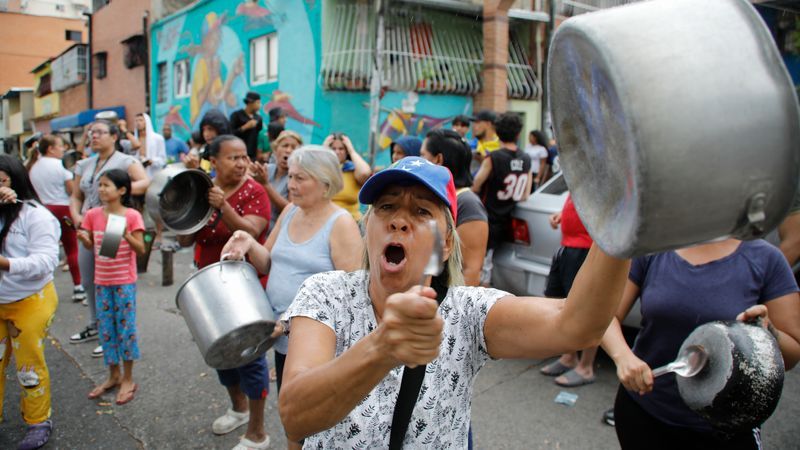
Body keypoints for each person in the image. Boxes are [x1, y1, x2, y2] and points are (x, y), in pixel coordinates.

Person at [277, 156, 630, 447]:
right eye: (386, 207)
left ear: (445, 245)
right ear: (366, 226)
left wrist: (621, 220)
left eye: (421, 213)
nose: (399, 220)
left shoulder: (467, 313)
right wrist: (381, 348)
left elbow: (578, 324)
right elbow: (294, 417)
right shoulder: (326, 293)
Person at [223, 147, 363, 447]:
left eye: (300, 178)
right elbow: (267, 262)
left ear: (325, 183)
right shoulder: (289, 212)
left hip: (317, 346)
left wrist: (292, 322)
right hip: (280, 336)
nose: (291, 184)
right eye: (291, 177)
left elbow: (353, 296)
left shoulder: (340, 224)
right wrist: (248, 242)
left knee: (313, 419)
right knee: (292, 414)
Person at [601, 238, 800, 449]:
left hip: (726, 428)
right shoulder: (654, 246)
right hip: (645, 412)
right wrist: (623, 357)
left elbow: (792, 355)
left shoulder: (766, 258)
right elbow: (605, 317)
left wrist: (769, 332)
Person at [176, 135, 271, 450]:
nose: (242, 163)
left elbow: (252, 230)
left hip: (243, 286)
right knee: (220, 352)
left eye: (244, 157)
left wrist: (223, 206)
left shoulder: (254, 191)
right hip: (207, 283)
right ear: (213, 161)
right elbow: (186, 241)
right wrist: (181, 211)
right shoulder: (201, 189)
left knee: (251, 356)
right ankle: (238, 408)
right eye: (233, 158)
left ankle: (258, 432)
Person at [68, 121, 149, 358]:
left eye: (100, 133)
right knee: (90, 277)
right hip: (88, 220)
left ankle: (113, 332)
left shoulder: (125, 161)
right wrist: (75, 215)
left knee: (113, 273)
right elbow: (75, 196)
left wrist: (117, 192)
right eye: (91, 133)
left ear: (114, 137)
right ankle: (98, 325)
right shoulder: (84, 164)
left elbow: (144, 183)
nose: (94, 137)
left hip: (113, 222)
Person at [0, 155, 60, 450]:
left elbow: (47, 260)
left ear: (17, 181)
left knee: (28, 365)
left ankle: (38, 421)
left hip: (30, 299)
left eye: (2, 181)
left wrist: (6, 264)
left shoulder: (35, 215)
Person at [78, 169, 145, 405]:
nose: (101, 189)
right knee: (107, 329)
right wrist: (84, 239)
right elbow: (91, 246)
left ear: (122, 190)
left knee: (125, 330)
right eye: (100, 185)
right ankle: (113, 375)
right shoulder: (93, 214)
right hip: (102, 281)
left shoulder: (132, 215)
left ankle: (128, 378)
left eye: (106, 185)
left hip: (124, 282)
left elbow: (141, 250)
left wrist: (126, 235)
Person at [539, 194, 597, 387]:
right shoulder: (583, 170)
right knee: (561, 301)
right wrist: (563, 214)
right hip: (568, 245)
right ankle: (568, 356)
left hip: (588, 248)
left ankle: (586, 367)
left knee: (589, 307)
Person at [420, 129, 488, 287]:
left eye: (423, 156)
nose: (420, 161)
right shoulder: (435, 197)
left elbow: (471, 270)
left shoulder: (468, 203)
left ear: (438, 159)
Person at [472, 113, 532, 287]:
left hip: (488, 218)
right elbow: (525, 193)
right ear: (518, 134)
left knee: (482, 266)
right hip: (510, 218)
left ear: (497, 133)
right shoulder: (526, 158)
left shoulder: (493, 157)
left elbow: (476, 185)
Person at [29, 134, 84, 302]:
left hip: (43, 210)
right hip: (62, 209)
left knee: (45, 249)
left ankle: (42, 289)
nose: (63, 149)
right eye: (60, 146)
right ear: (50, 149)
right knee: (72, 247)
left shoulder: (33, 167)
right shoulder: (59, 167)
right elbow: (71, 191)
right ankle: (78, 286)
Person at [258, 130, 302, 231]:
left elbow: (291, 209)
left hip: (278, 231)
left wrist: (266, 185)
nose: (288, 150)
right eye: (285, 146)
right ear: (275, 149)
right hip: (258, 227)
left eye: (293, 148)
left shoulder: (298, 177)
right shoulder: (266, 169)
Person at [323, 133, 371, 220]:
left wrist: (351, 150)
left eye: (341, 149)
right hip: (325, 221)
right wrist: (323, 150)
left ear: (346, 151)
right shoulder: (323, 169)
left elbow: (365, 173)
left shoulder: (353, 169)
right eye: (333, 149)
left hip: (351, 220)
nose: (337, 152)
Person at [184, 109, 232, 174]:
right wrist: (194, 166)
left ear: (221, 129)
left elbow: (222, 181)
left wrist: (196, 169)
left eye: (210, 129)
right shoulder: (207, 151)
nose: (206, 134)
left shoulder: (232, 151)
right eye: (203, 130)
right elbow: (207, 174)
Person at [230, 91, 264, 161]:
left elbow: (260, 136)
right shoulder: (236, 115)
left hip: (253, 156)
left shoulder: (258, 118)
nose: (260, 105)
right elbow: (230, 134)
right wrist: (244, 127)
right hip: (238, 154)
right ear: (250, 103)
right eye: (258, 102)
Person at [133, 113, 167, 178]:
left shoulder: (157, 138)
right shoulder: (134, 140)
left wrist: (152, 161)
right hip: (139, 175)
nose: (138, 123)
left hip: (154, 175)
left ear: (147, 122)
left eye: (140, 120)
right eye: (136, 121)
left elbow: (163, 159)